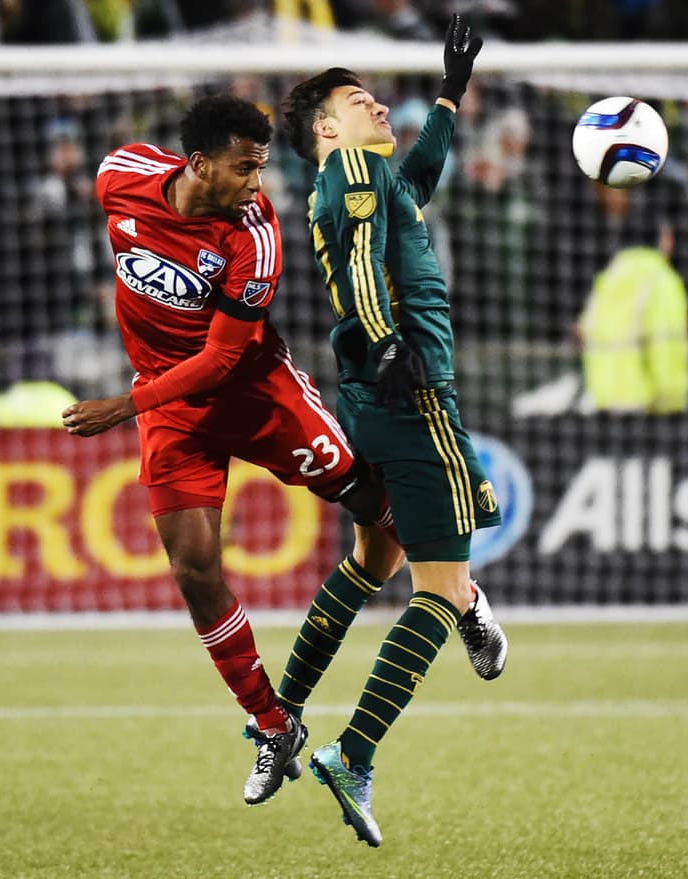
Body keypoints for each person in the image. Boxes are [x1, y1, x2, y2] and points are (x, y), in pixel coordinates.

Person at [60, 93, 397, 807]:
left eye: (262, 168)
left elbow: (220, 359)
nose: (257, 183)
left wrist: (123, 406)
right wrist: (144, 394)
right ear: (199, 163)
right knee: (193, 568)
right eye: (245, 169)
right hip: (171, 409)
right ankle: (274, 725)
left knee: (370, 498)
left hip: (253, 393)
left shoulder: (256, 233)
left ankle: (460, 595)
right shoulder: (119, 176)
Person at [279, 13, 508, 847]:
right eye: (357, 100)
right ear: (327, 130)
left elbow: (418, 177)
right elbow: (367, 260)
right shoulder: (350, 169)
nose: (377, 105)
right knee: (438, 588)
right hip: (409, 391)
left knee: (373, 558)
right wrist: (386, 342)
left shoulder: (369, 177)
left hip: (366, 399)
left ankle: (279, 714)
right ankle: (354, 753)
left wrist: (450, 93)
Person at [577, 221, 688, 414]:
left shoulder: (608, 278)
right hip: (646, 407)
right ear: (665, 240)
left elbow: (583, 331)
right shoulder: (661, 279)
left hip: (602, 405)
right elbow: (665, 344)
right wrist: (672, 402)